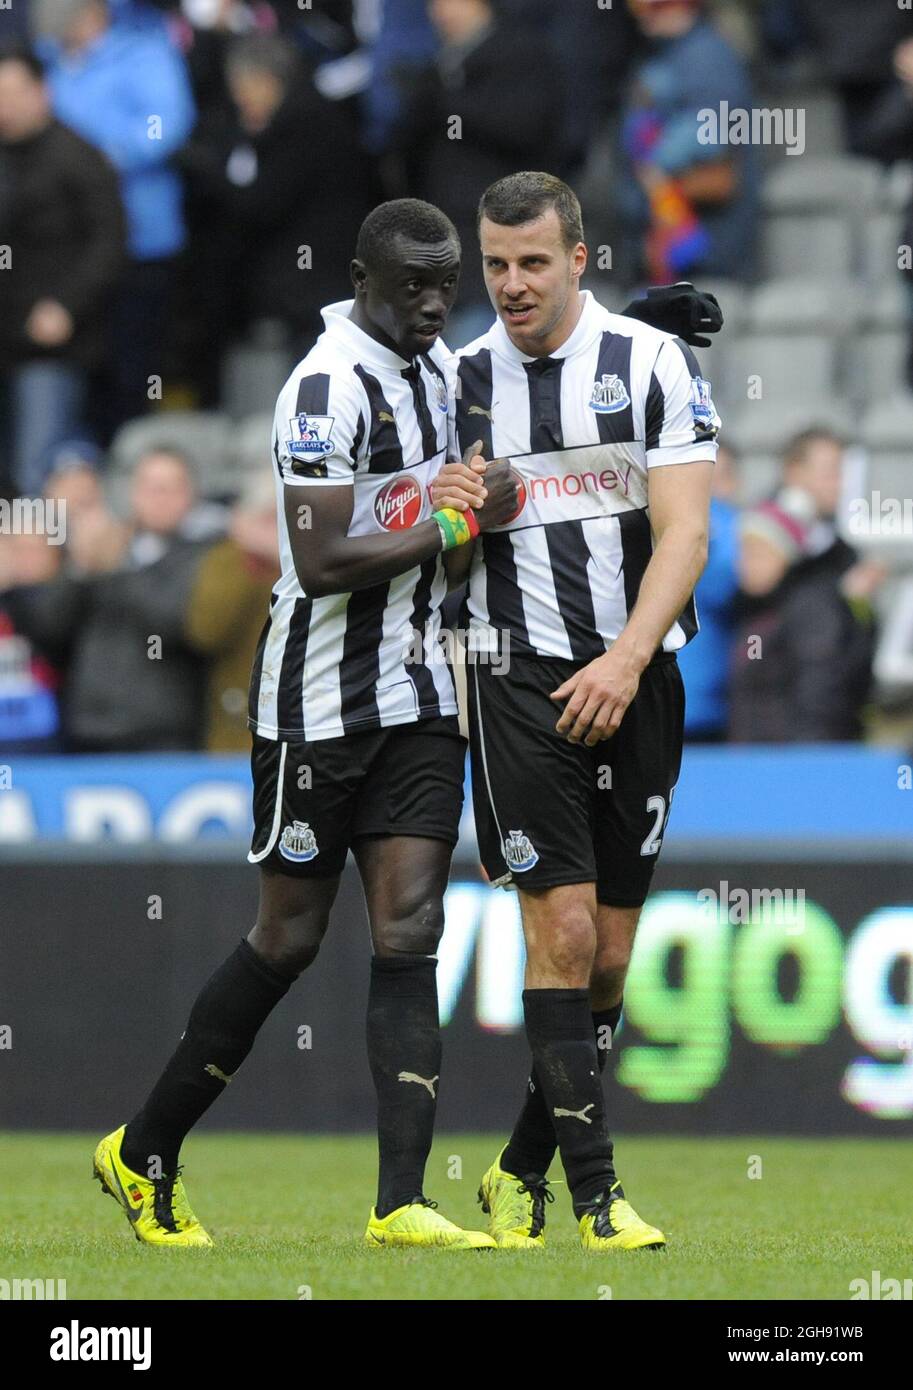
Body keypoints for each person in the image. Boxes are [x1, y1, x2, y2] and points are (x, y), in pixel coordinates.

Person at [89, 195, 720, 1251]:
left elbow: (555, 361)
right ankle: (146, 1146)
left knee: (426, 934)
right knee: (288, 936)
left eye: (452, 283)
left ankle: (409, 1201)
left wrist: (638, 319)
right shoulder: (337, 383)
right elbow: (322, 558)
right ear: (365, 280)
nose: (447, 300)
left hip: (428, 694)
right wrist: (456, 520)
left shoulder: (445, 371)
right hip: (326, 697)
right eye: (434, 281)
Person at [431, 171, 718, 1249]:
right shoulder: (455, 383)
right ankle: (596, 1201)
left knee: (605, 956)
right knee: (555, 928)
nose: (511, 283)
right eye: (495, 263)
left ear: (578, 260)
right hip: (512, 679)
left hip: (636, 676)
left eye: (532, 262)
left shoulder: (650, 365)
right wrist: (455, 515)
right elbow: (432, 539)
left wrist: (626, 658)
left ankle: (514, 1168)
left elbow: (686, 536)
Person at [32, 0, 196, 437]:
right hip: (66, 246)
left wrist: (103, 160)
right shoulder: (48, 59)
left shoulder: (144, 54)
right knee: (73, 368)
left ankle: (132, 463)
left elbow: (168, 124)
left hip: (140, 240)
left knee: (134, 365)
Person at [4, 445, 220, 751]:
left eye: (169, 487)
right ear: (132, 493)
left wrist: (116, 568)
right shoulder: (102, 549)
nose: (158, 498)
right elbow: (49, 628)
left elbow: (180, 624)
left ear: (191, 495)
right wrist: (81, 570)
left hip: (165, 734)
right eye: (149, 487)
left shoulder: (208, 553)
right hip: (88, 731)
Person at [392, 0, 566, 344]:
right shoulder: (438, 66)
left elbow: (528, 129)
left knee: (489, 361)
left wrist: (447, 103)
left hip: (506, 245)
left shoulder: (523, 55)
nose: (441, 12)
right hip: (445, 251)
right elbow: (406, 154)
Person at [0, 46, 125, 496]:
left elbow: (110, 242)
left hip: (50, 345)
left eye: (15, 92)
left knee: (37, 468)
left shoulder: (79, 156)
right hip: (5, 333)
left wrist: (66, 306)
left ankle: (43, 562)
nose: (6, 105)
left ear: (43, 92)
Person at [729, 429, 882, 743]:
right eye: (830, 473)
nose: (839, 486)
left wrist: (856, 605)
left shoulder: (839, 554)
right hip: (772, 733)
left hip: (828, 727)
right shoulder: (757, 535)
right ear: (794, 472)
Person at [619, 0, 759, 284]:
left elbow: (718, 161)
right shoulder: (658, 55)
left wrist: (657, 171)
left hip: (708, 254)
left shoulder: (708, 57)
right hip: (663, 247)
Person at [676, 440, 739, 742]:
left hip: (715, 704)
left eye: (719, 477)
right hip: (660, 697)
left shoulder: (734, 528)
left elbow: (725, 589)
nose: (710, 489)